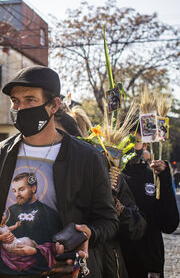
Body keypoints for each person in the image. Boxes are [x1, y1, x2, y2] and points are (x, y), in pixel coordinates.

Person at [0, 65, 118, 278]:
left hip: (61, 273)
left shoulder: (87, 157)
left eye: (30, 100)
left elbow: (109, 221)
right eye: (15, 101)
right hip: (3, 272)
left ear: (54, 105)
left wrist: (89, 233)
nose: (20, 108)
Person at [56, 110, 147, 278]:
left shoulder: (110, 175)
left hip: (103, 265)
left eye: (58, 138)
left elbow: (137, 227)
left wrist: (113, 204)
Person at [120, 128, 180, 278]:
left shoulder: (153, 176)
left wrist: (165, 178)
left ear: (145, 146)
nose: (129, 146)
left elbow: (169, 224)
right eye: (125, 142)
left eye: (135, 141)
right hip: (120, 259)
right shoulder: (111, 175)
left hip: (148, 259)